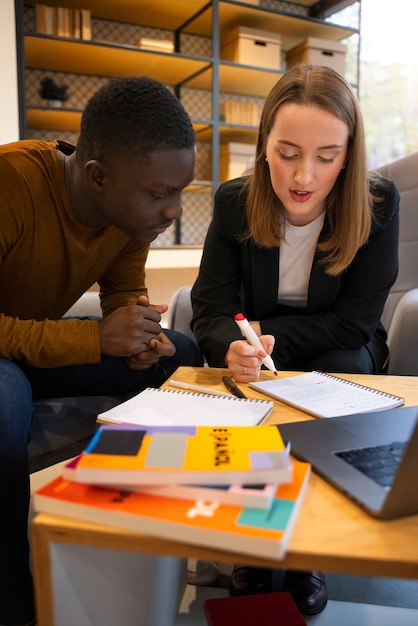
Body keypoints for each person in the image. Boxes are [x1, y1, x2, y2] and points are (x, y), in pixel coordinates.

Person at [191, 64, 400, 615]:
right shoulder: (234, 202)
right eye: (287, 152)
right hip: (261, 354)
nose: (304, 175)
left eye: (326, 157)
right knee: (242, 382)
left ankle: (306, 548)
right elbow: (210, 309)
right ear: (263, 146)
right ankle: (254, 544)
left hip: (340, 344)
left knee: (340, 361)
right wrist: (232, 345)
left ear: (348, 156)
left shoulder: (378, 203)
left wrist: (267, 333)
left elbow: (356, 322)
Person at [0, 76, 203, 626]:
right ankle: (17, 605)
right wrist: (94, 338)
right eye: (160, 193)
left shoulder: (129, 217)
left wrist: (139, 336)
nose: (172, 211)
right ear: (97, 176)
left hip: (40, 348)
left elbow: (120, 292)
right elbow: (90, 330)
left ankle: (155, 532)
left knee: (180, 354)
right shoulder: (11, 183)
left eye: (180, 190)